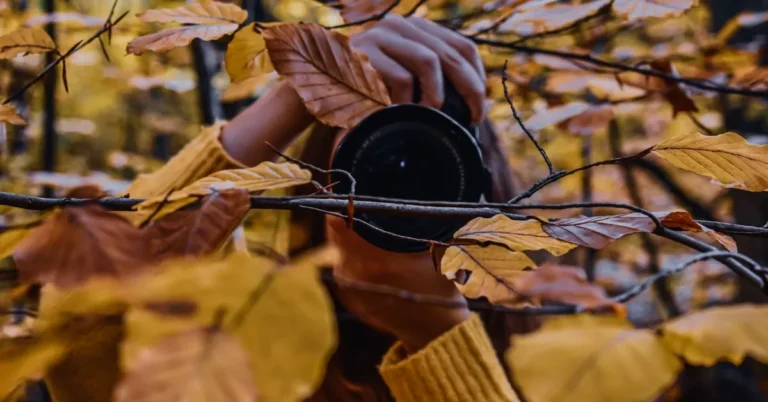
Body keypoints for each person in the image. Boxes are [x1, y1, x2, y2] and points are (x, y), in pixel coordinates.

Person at [126, 14, 526, 402]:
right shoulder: (245, 353)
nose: (402, 189)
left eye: (432, 168)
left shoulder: (557, 363)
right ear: (321, 181)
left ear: (483, 194)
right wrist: (305, 89)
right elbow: (94, 306)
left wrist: (437, 332)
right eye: (377, 150)